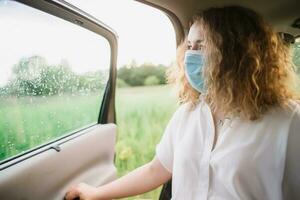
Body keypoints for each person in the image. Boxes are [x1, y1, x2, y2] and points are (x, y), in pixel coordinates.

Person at [64, 5, 300, 200]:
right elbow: (156, 170)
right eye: (189, 46)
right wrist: (96, 193)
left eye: (203, 45)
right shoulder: (187, 114)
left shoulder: (288, 121)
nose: (191, 55)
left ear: (239, 53)